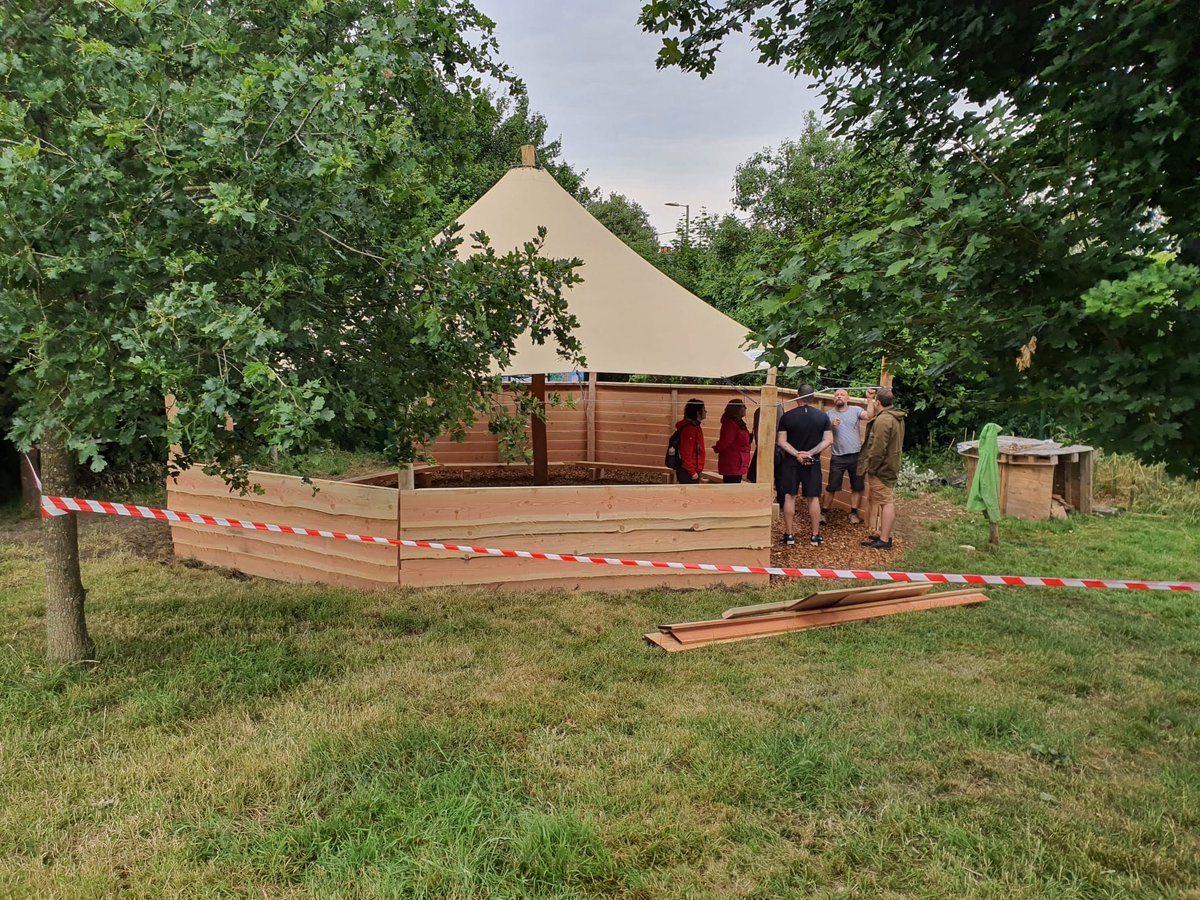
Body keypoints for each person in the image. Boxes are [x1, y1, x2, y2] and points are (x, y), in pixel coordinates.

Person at [776, 384, 833, 546]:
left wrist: (797, 454)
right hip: (812, 462)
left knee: (789, 496)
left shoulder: (787, 417)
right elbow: (829, 440)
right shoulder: (822, 417)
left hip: (790, 463)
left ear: (797, 396)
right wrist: (810, 453)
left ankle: (789, 535)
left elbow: (781, 441)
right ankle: (815, 535)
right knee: (813, 498)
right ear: (812, 397)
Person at [821, 388, 876, 525]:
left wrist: (870, 399)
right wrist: (830, 426)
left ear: (847, 399)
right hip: (837, 457)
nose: (839, 396)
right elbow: (822, 435)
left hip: (856, 456)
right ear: (834, 399)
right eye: (836, 395)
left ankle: (853, 514)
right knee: (832, 486)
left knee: (857, 486)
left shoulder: (855, 410)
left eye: (842, 395)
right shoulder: (828, 415)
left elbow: (869, 415)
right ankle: (823, 513)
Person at [860, 388, 906, 550]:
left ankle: (885, 540)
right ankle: (883, 535)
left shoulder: (883, 420)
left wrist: (871, 467)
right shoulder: (896, 417)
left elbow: (878, 448)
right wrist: (870, 399)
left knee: (887, 502)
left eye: (875, 401)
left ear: (878, 403)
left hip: (882, 468)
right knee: (886, 500)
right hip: (890, 464)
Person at [714, 398, 753, 483]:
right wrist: (717, 448)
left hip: (738, 462)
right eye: (743, 406)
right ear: (737, 409)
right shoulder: (731, 424)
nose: (745, 408)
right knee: (731, 486)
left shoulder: (738, 423)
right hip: (732, 463)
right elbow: (725, 442)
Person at [672, 398, 707, 484]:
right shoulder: (690, 429)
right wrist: (692, 472)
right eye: (704, 409)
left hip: (693, 470)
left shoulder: (695, 427)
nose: (706, 412)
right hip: (688, 472)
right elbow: (686, 453)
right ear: (698, 413)